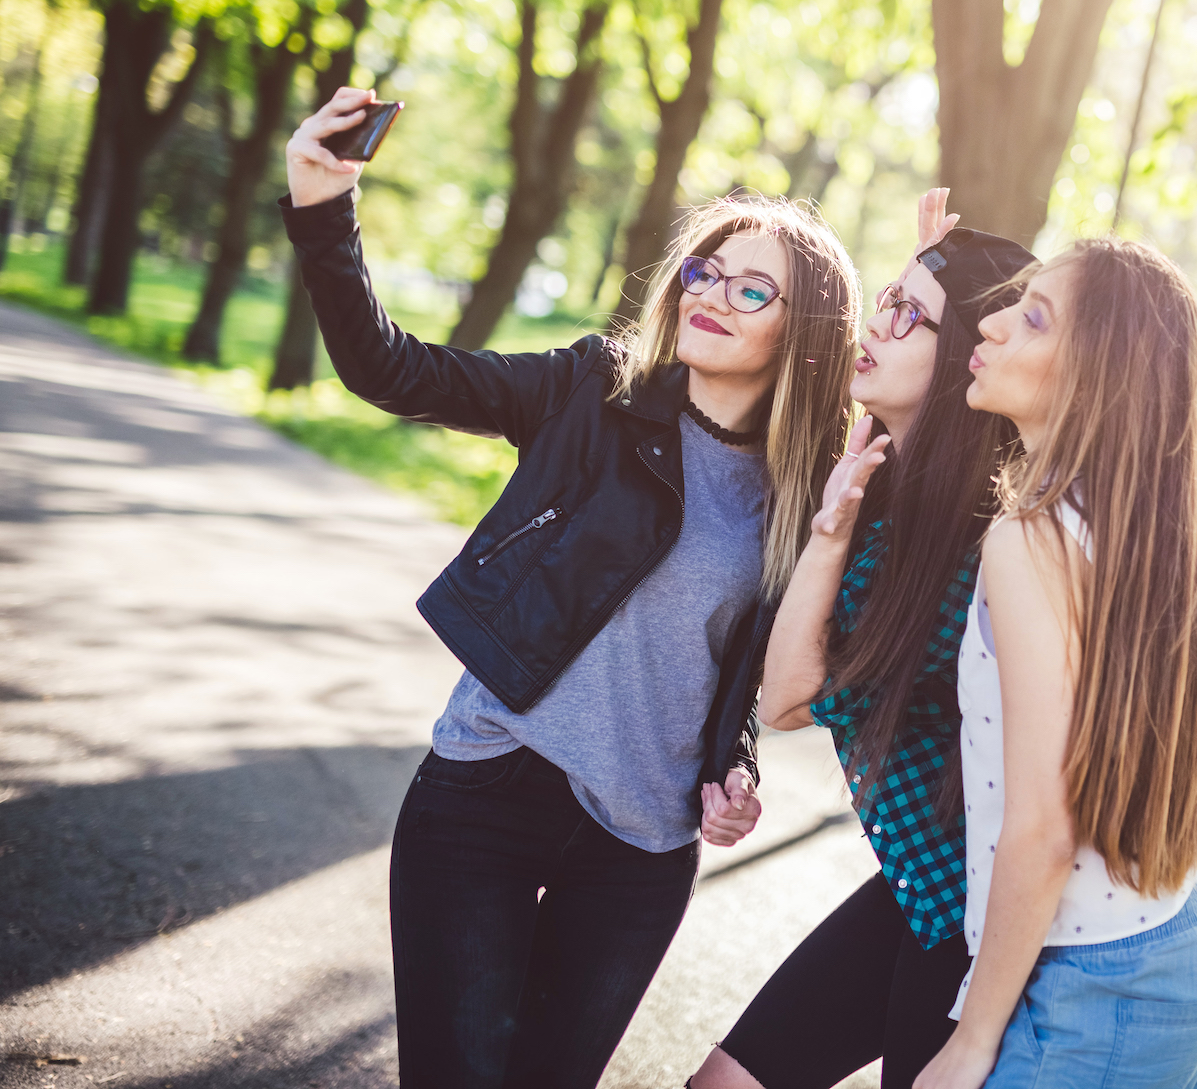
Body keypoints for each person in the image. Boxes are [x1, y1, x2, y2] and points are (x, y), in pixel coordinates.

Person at [282, 87, 861, 1089]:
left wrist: (737, 769)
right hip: (487, 794)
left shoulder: (807, 494)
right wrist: (324, 205)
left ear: (803, 328)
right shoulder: (590, 391)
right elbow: (388, 368)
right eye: (703, 269)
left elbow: (742, 666)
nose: (711, 294)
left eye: (751, 288)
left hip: (638, 847)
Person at [690, 191, 1038, 1089]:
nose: (875, 324)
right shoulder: (883, 482)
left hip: (976, 922)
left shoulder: (973, 542)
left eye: (907, 315)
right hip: (919, 890)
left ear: (962, 356)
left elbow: (791, 700)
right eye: (882, 300)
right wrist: (932, 273)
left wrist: (831, 535)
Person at [916, 238, 1197, 1089]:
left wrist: (971, 1037)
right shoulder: (1157, 528)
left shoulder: (1031, 536)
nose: (991, 323)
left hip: (1101, 986)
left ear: (1097, 380)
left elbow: (1043, 828)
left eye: (1032, 317)